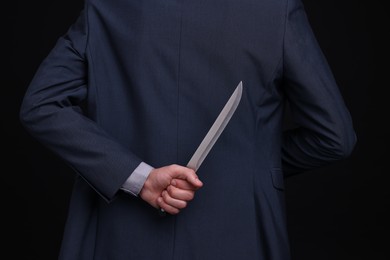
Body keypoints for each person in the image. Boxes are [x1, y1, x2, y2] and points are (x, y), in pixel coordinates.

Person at [19, 0, 356, 259]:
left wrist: (139, 178)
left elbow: (41, 105)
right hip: (241, 237)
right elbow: (334, 138)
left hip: (115, 238)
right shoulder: (275, 9)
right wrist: (244, 167)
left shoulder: (108, 6)